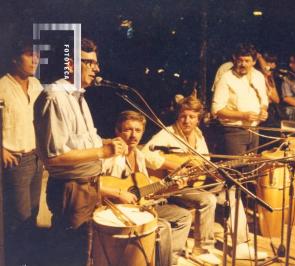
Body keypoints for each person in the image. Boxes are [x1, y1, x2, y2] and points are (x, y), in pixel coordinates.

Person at [34, 38, 131, 265]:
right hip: (72, 190)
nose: (97, 69)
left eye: (96, 63)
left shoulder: (79, 97)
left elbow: (82, 144)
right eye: (90, 63)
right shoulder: (55, 97)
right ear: (71, 65)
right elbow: (54, 158)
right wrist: (102, 151)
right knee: (73, 254)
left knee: (87, 252)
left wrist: (109, 143)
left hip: (89, 186)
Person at [102, 110, 192, 266]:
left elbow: (146, 190)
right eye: (128, 129)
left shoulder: (139, 156)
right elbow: (92, 183)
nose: (133, 135)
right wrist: (118, 192)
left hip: (139, 207)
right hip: (115, 208)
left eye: (138, 130)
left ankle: (169, 259)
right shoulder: (111, 154)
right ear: (118, 131)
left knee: (183, 216)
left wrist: (171, 187)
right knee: (163, 227)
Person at [142, 92, 222, 264]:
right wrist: (172, 165)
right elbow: (144, 155)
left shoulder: (199, 135)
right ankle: (202, 248)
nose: (187, 121)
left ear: (198, 119)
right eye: (183, 116)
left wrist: (204, 168)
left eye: (192, 117)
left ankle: (237, 241)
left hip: (189, 183)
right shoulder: (168, 133)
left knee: (225, 188)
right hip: (169, 186)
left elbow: (205, 160)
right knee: (208, 199)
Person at [211, 43, 268, 260]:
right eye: (240, 60)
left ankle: (241, 234)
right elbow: (217, 109)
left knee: (246, 183)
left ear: (254, 61)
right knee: (233, 185)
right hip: (233, 133)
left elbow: (264, 103)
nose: (243, 64)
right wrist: (243, 115)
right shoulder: (226, 78)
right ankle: (238, 241)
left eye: (247, 60)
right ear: (234, 59)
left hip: (254, 133)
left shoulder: (259, 78)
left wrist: (262, 112)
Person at [0, 39, 44, 265]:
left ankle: (27, 259)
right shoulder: (2, 86)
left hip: (37, 158)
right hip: (15, 161)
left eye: (36, 55)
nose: (35, 59)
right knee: (19, 217)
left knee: (34, 214)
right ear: (15, 58)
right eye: (29, 55)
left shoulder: (37, 85)